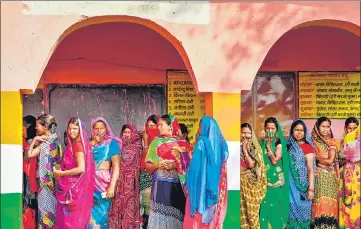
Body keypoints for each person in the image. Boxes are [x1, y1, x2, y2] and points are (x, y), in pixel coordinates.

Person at [145, 114, 192, 229]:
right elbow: (147, 164)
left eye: (161, 125)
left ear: (170, 126)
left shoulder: (183, 143)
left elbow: (190, 165)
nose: (158, 127)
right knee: (160, 218)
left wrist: (175, 165)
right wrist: (158, 164)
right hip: (160, 185)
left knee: (176, 218)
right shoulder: (156, 142)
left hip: (177, 186)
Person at [184, 116, 229, 229]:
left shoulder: (201, 144)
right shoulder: (222, 147)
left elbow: (194, 170)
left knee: (197, 218)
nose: (198, 129)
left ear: (205, 128)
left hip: (199, 189)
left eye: (199, 126)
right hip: (214, 190)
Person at [54, 117, 95, 229]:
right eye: (70, 128)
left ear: (80, 130)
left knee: (70, 222)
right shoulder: (74, 144)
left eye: (75, 129)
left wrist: (61, 174)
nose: (72, 131)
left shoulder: (77, 145)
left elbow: (81, 168)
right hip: (73, 188)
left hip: (73, 190)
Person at [26, 114, 62, 228]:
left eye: (38, 126)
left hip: (50, 187)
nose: (36, 128)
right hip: (44, 186)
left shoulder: (54, 142)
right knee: (45, 214)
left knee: (49, 215)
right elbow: (29, 155)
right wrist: (35, 140)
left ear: (45, 127)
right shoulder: (46, 142)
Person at [89, 117, 121, 229]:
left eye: (102, 128)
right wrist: (92, 144)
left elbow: (116, 166)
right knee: (89, 218)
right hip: (89, 185)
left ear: (106, 129)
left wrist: (112, 186)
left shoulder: (112, 143)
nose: (99, 131)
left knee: (103, 217)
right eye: (96, 128)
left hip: (104, 185)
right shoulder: (88, 144)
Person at [109, 124, 143, 229]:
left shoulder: (138, 147)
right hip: (119, 182)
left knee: (129, 208)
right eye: (125, 132)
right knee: (118, 206)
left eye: (129, 132)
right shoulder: (118, 145)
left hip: (131, 184)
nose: (127, 135)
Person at [259, 117, 290, 229]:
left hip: (276, 182)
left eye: (273, 128)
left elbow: (274, 160)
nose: (270, 131)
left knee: (276, 209)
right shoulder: (261, 143)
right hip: (264, 181)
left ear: (277, 130)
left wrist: (268, 147)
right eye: (268, 128)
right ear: (265, 129)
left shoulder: (279, 143)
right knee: (264, 208)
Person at [311, 117, 339, 228]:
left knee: (329, 206)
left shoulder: (332, 141)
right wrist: (319, 162)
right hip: (318, 178)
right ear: (317, 127)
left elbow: (330, 161)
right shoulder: (311, 142)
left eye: (328, 127)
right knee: (319, 204)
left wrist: (317, 160)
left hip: (330, 179)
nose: (325, 129)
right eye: (323, 126)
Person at [287, 120, 315, 228]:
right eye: (296, 130)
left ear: (305, 132)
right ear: (292, 131)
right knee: (291, 215)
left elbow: (310, 169)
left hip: (303, 187)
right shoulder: (288, 147)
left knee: (304, 215)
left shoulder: (307, 147)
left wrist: (311, 189)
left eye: (301, 130)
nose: (299, 133)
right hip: (290, 187)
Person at [240, 123, 267, 229]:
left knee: (252, 216)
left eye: (248, 133)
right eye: (243, 132)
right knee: (242, 215)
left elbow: (251, 165)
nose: (246, 135)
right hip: (240, 187)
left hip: (252, 188)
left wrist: (245, 150)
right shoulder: (235, 147)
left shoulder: (255, 148)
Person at [339, 117, 360, 229]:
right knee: (347, 199)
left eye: (355, 129)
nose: (352, 131)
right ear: (345, 129)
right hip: (346, 174)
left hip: (358, 176)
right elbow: (339, 160)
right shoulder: (343, 142)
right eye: (349, 129)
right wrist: (346, 157)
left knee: (357, 200)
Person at [140, 114, 160, 228]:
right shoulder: (143, 139)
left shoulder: (158, 142)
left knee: (149, 209)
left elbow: (148, 161)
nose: (149, 129)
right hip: (142, 177)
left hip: (152, 177)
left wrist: (146, 142)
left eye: (152, 126)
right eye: (147, 126)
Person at [22, 115, 38, 229]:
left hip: (29, 183)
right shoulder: (25, 142)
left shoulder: (32, 143)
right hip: (26, 181)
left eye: (23, 126)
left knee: (29, 208)